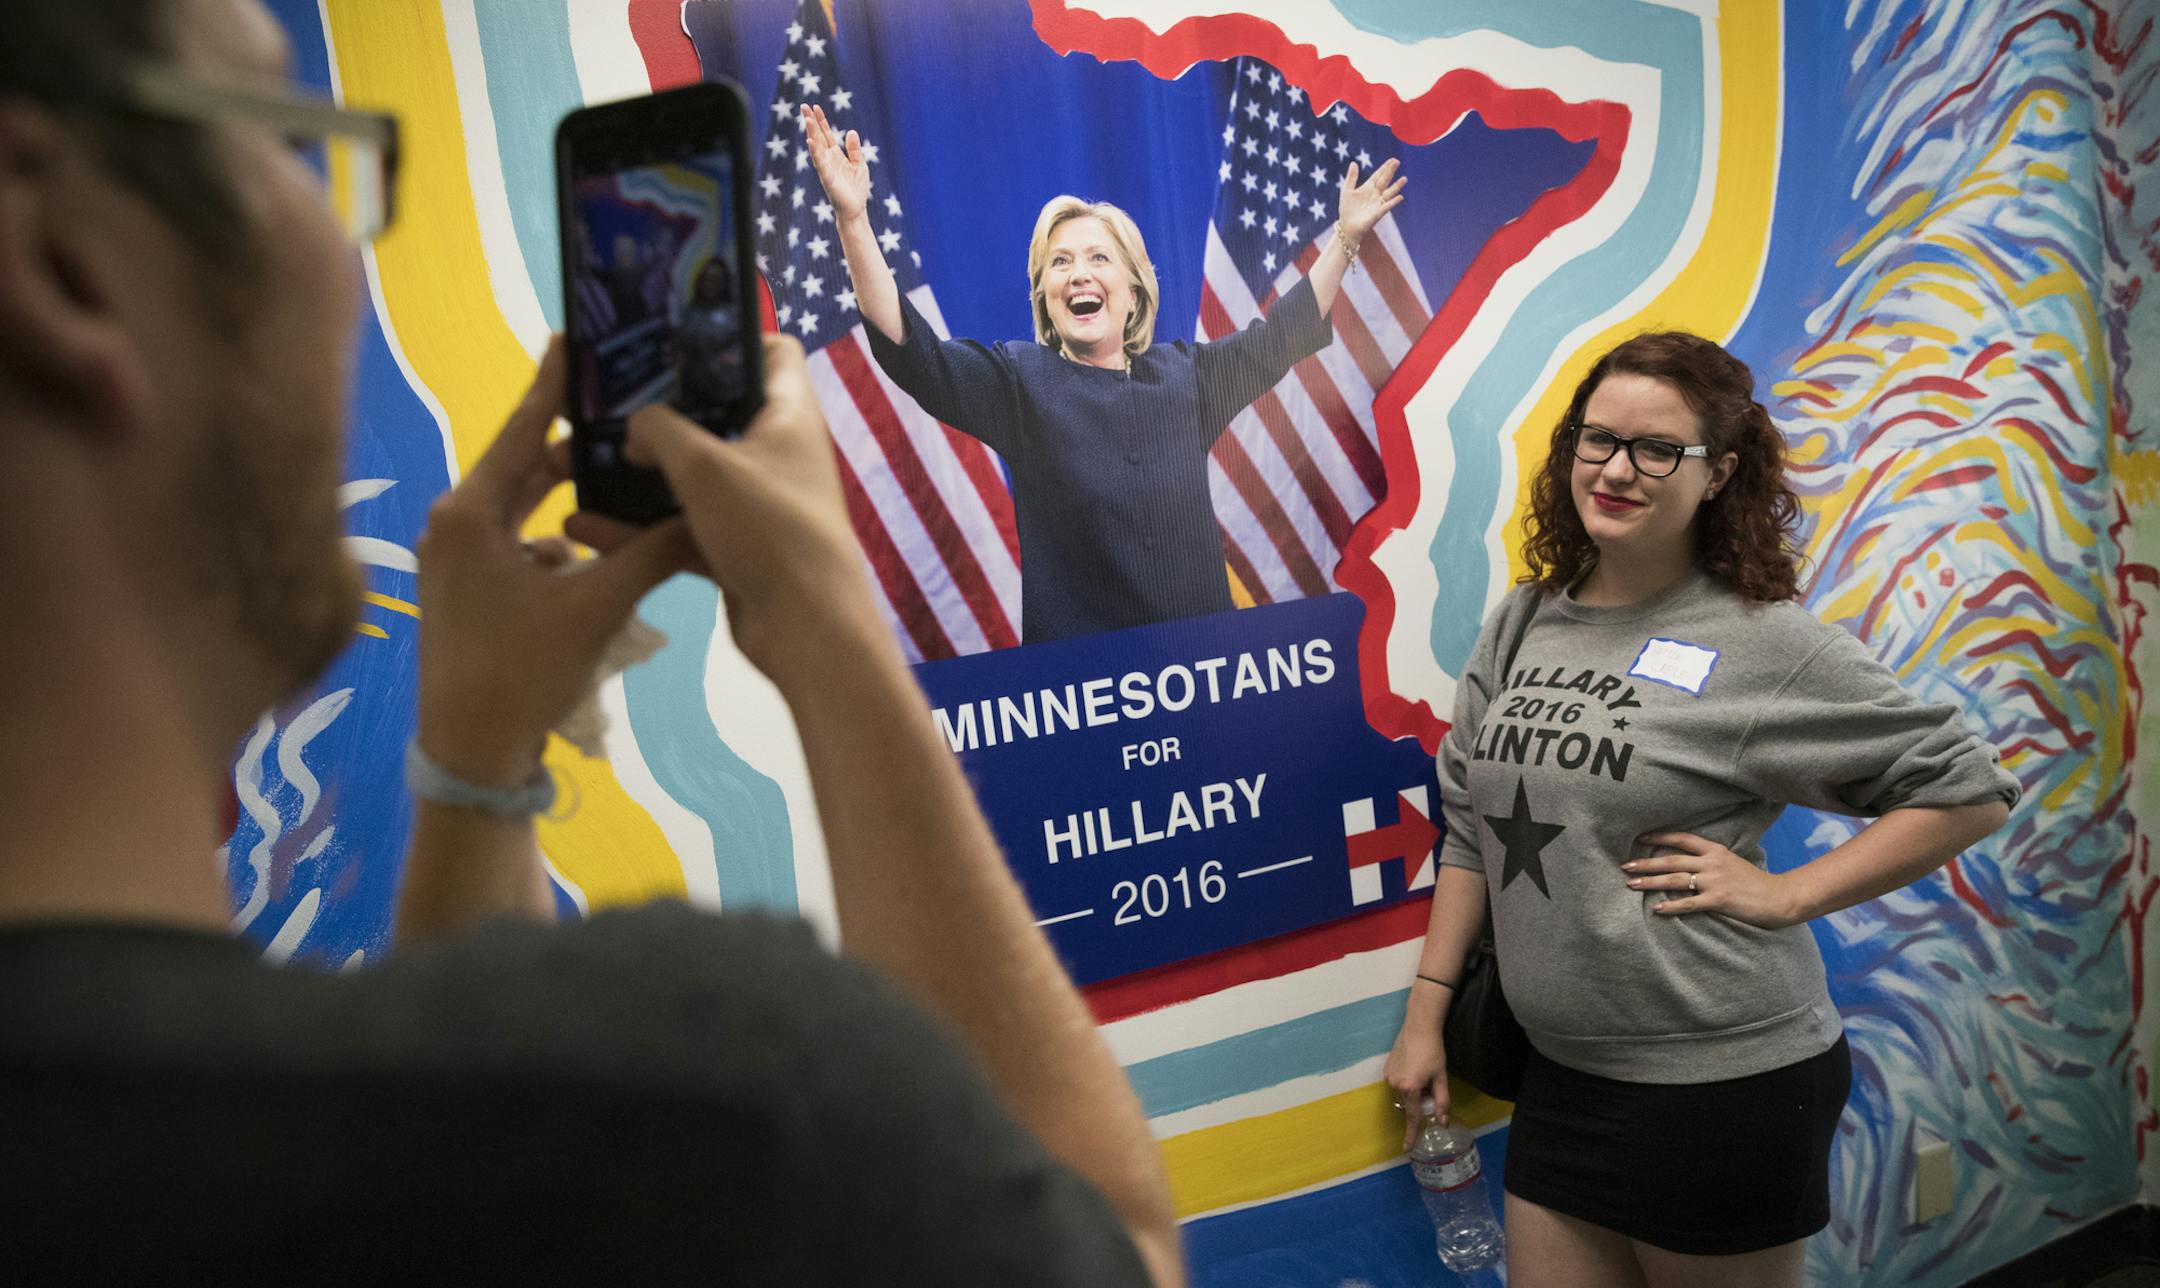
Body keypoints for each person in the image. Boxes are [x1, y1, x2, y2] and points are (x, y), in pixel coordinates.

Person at [0, 1, 1182, 1283]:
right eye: (292, 144)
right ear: (60, 256)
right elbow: (1120, 1246)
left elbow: (455, 1162)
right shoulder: (717, 1086)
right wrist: (828, 622)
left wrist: (476, 754)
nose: (345, 252)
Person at [1381, 333, 2016, 1288]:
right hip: (1562, 1078)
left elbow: (1967, 787)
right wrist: (1426, 1012)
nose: (1618, 470)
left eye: (1658, 450)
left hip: (1724, 1083)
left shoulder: (1763, 642)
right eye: (1598, 440)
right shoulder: (1525, 620)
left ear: (1719, 473)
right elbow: (1473, 823)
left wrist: (1789, 894)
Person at [801, 102, 1406, 645]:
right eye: (1059, 263)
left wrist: (1346, 238)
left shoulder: (1186, 378)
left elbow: (1279, 338)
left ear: (1134, 291)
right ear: (1045, 295)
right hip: (1085, 708)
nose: (1078, 274)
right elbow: (914, 353)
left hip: (1207, 684)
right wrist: (854, 219)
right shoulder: (1019, 384)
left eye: (1098, 258)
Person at [675, 256, 745, 412]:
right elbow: (682, 353)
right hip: (696, 391)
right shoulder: (690, 313)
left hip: (729, 389)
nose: (710, 283)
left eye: (716, 279)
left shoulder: (735, 313)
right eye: (707, 278)